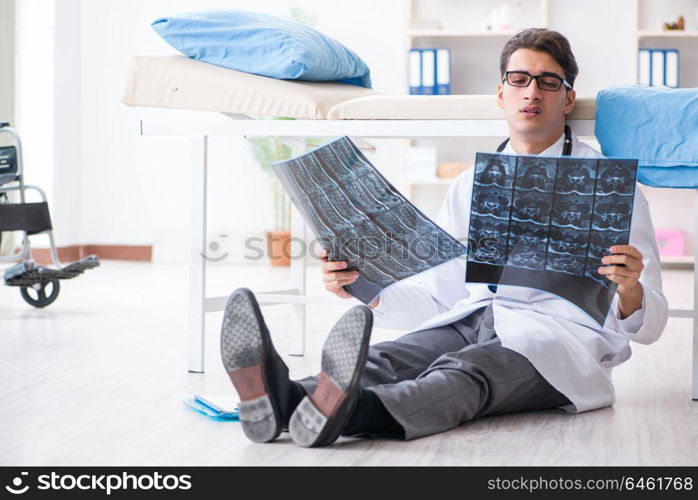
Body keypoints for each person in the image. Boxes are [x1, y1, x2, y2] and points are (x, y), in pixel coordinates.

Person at [220, 28, 668, 447]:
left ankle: (349, 414)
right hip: (475, 316)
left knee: (466, 374)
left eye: (549, 82)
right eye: (519, 79)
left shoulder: (612, 189)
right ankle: (281, 397)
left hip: (560, 339)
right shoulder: (472, 182)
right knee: (387, 359)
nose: (532, 91)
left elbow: (651, 324)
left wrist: (630, 290)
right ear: (501, 93)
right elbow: (441, 292)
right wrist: (364, 287)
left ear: (568, 98)